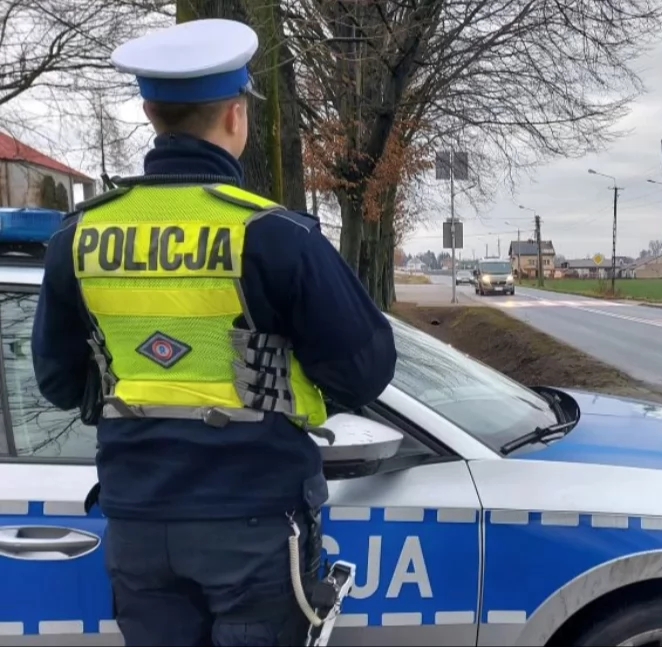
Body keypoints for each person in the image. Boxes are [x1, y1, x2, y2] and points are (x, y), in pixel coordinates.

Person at [31, 18, 397, 647]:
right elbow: (364, 370)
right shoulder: (276, 235)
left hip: (138, 521)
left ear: (150, 111)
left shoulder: (76, 238)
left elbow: (60, 384)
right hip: (252, 519)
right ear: (236, 116)